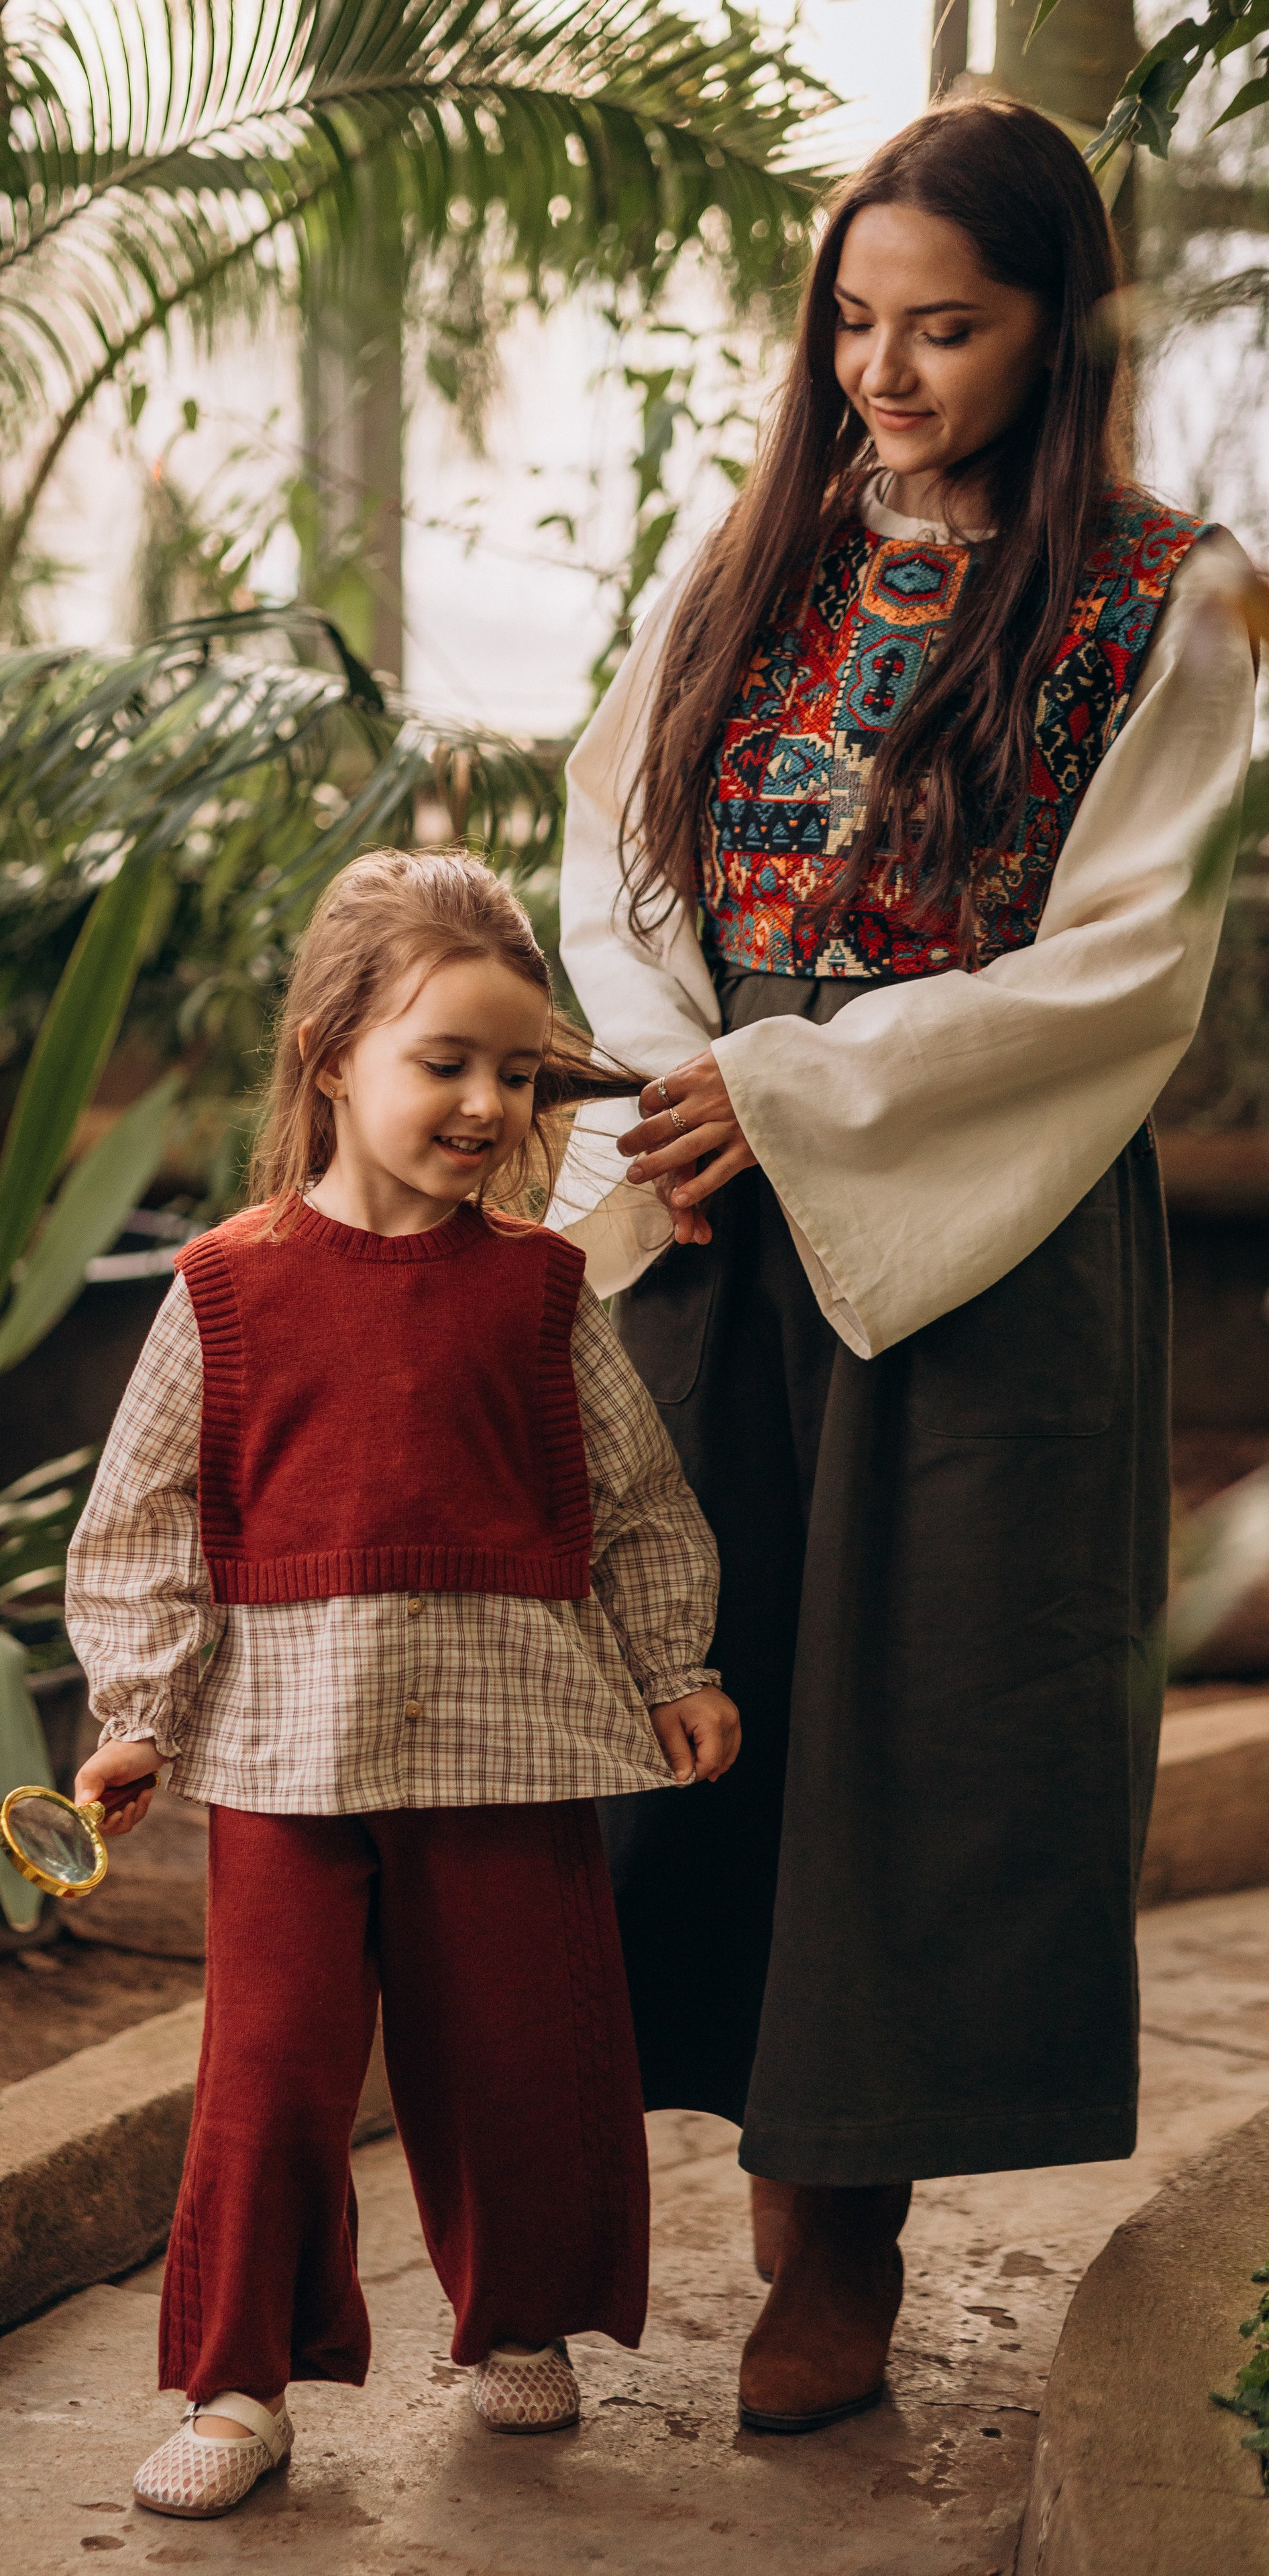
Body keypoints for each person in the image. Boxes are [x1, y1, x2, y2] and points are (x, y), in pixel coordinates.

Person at [550, 97, 1259, 2438]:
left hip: (973, 1219)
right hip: (708, 1198)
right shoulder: (749, 555)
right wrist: (681, 1080)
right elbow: (616, 857)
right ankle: (633, 2204)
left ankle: (834, 2255)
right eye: (853, 322)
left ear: (1062, 323)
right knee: (691, 1687)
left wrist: (807, 1096)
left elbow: (1126, 967)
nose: (885, 370)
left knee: (920, 1729)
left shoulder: (1170, 599)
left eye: (944, 326)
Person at [65, 850, 742, 2520]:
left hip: (511, 1744)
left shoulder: (537, 1290)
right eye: (445, 1061)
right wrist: (139, 1709)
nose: (486, 1104)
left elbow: (637, 1499)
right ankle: (238, 2380)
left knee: (521, 2048)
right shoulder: (223, 1289)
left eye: (515, 1074)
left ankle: (521, 2319)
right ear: (331, 1058)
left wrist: (674, 1665)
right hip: (289, 1756)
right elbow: (140, 1516)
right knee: (271, 2071)